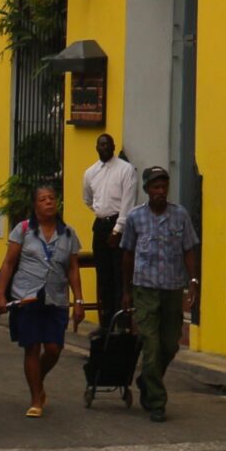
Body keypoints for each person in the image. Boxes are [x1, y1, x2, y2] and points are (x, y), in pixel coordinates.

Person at [0, 183, 85, 418]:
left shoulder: (68, 233)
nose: (49, 202)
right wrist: (1, 295)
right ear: (35, 206)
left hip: (56, 298)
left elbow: (73, 269)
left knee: (53, 348)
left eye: (52, 198)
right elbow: (9, 263)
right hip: (27, 297)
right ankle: (36, 399)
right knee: (32, 347)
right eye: (43, 199)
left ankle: (38, 380)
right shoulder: (23, 230)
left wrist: (80, 301)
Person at [116, 165, 200, 422]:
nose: (160, 191)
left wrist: (193, 280)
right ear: (147, 190)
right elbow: (127, 254)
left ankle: (146, 380)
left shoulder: (180, 215)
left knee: (170, 345)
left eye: (163, 186)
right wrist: (126, 291)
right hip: (145, 289)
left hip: (173, 288)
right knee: (150, 346)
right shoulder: (134, 217)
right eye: (155, 187)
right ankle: (157, 402)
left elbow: (189, 249)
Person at [80, 133, 136, 322]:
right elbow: (87, 199)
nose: (104, 147)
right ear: (96, 147)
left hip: (119, 226)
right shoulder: (90, 173)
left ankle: (120, 321)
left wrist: (117, 229)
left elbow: (128, 202)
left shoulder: (125, 170)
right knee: (103, 275)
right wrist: (100, 211)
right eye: (100, 144)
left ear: (113, 146)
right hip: (100, 225)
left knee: (119, 274)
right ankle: (106, 321)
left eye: (107, 144)